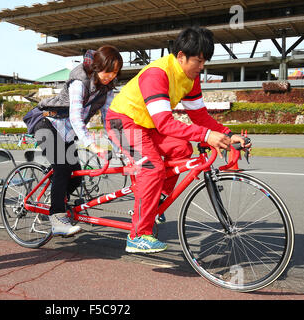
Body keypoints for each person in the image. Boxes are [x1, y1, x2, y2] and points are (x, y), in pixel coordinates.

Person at [106, 27, 250, 253]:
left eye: (205, 62)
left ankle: (156, 200)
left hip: (148, 125)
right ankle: (137, 236)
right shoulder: (158, 74)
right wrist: (205, 135)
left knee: (182, 148)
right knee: (151, 168)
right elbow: (165, 123)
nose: (202, 68)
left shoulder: (191, 78)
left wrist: (228, 135)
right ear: (181, 55)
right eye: (199, 61)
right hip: (121, 122)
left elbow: (200, 116)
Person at [31, 46, 123, 236]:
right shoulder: (79, 80)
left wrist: (121, 148)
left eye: (115, 73)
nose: (110, 76)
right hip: (46, 122)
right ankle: (57, 218)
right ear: (97, 66)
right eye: (108, 71)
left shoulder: (107, 89)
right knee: (63, 167)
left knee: (76, 176)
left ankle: (53, 204)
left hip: (66, 133)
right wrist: (92, 144)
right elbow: (75, 117)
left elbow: (109, 121)